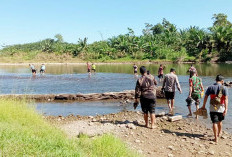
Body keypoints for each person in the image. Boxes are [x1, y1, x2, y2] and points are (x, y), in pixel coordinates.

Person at [200, 75, 228, 143]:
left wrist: (203, 106)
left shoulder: (210, 87)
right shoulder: (224, 88)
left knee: (214, 122)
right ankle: (219, 133)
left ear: (215, 80)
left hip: (213, 107)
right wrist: (226, 109)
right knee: (220, 121)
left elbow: (206, 97)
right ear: (222, 81)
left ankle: (216, 138)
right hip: (221, 107)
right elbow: (226, 99)